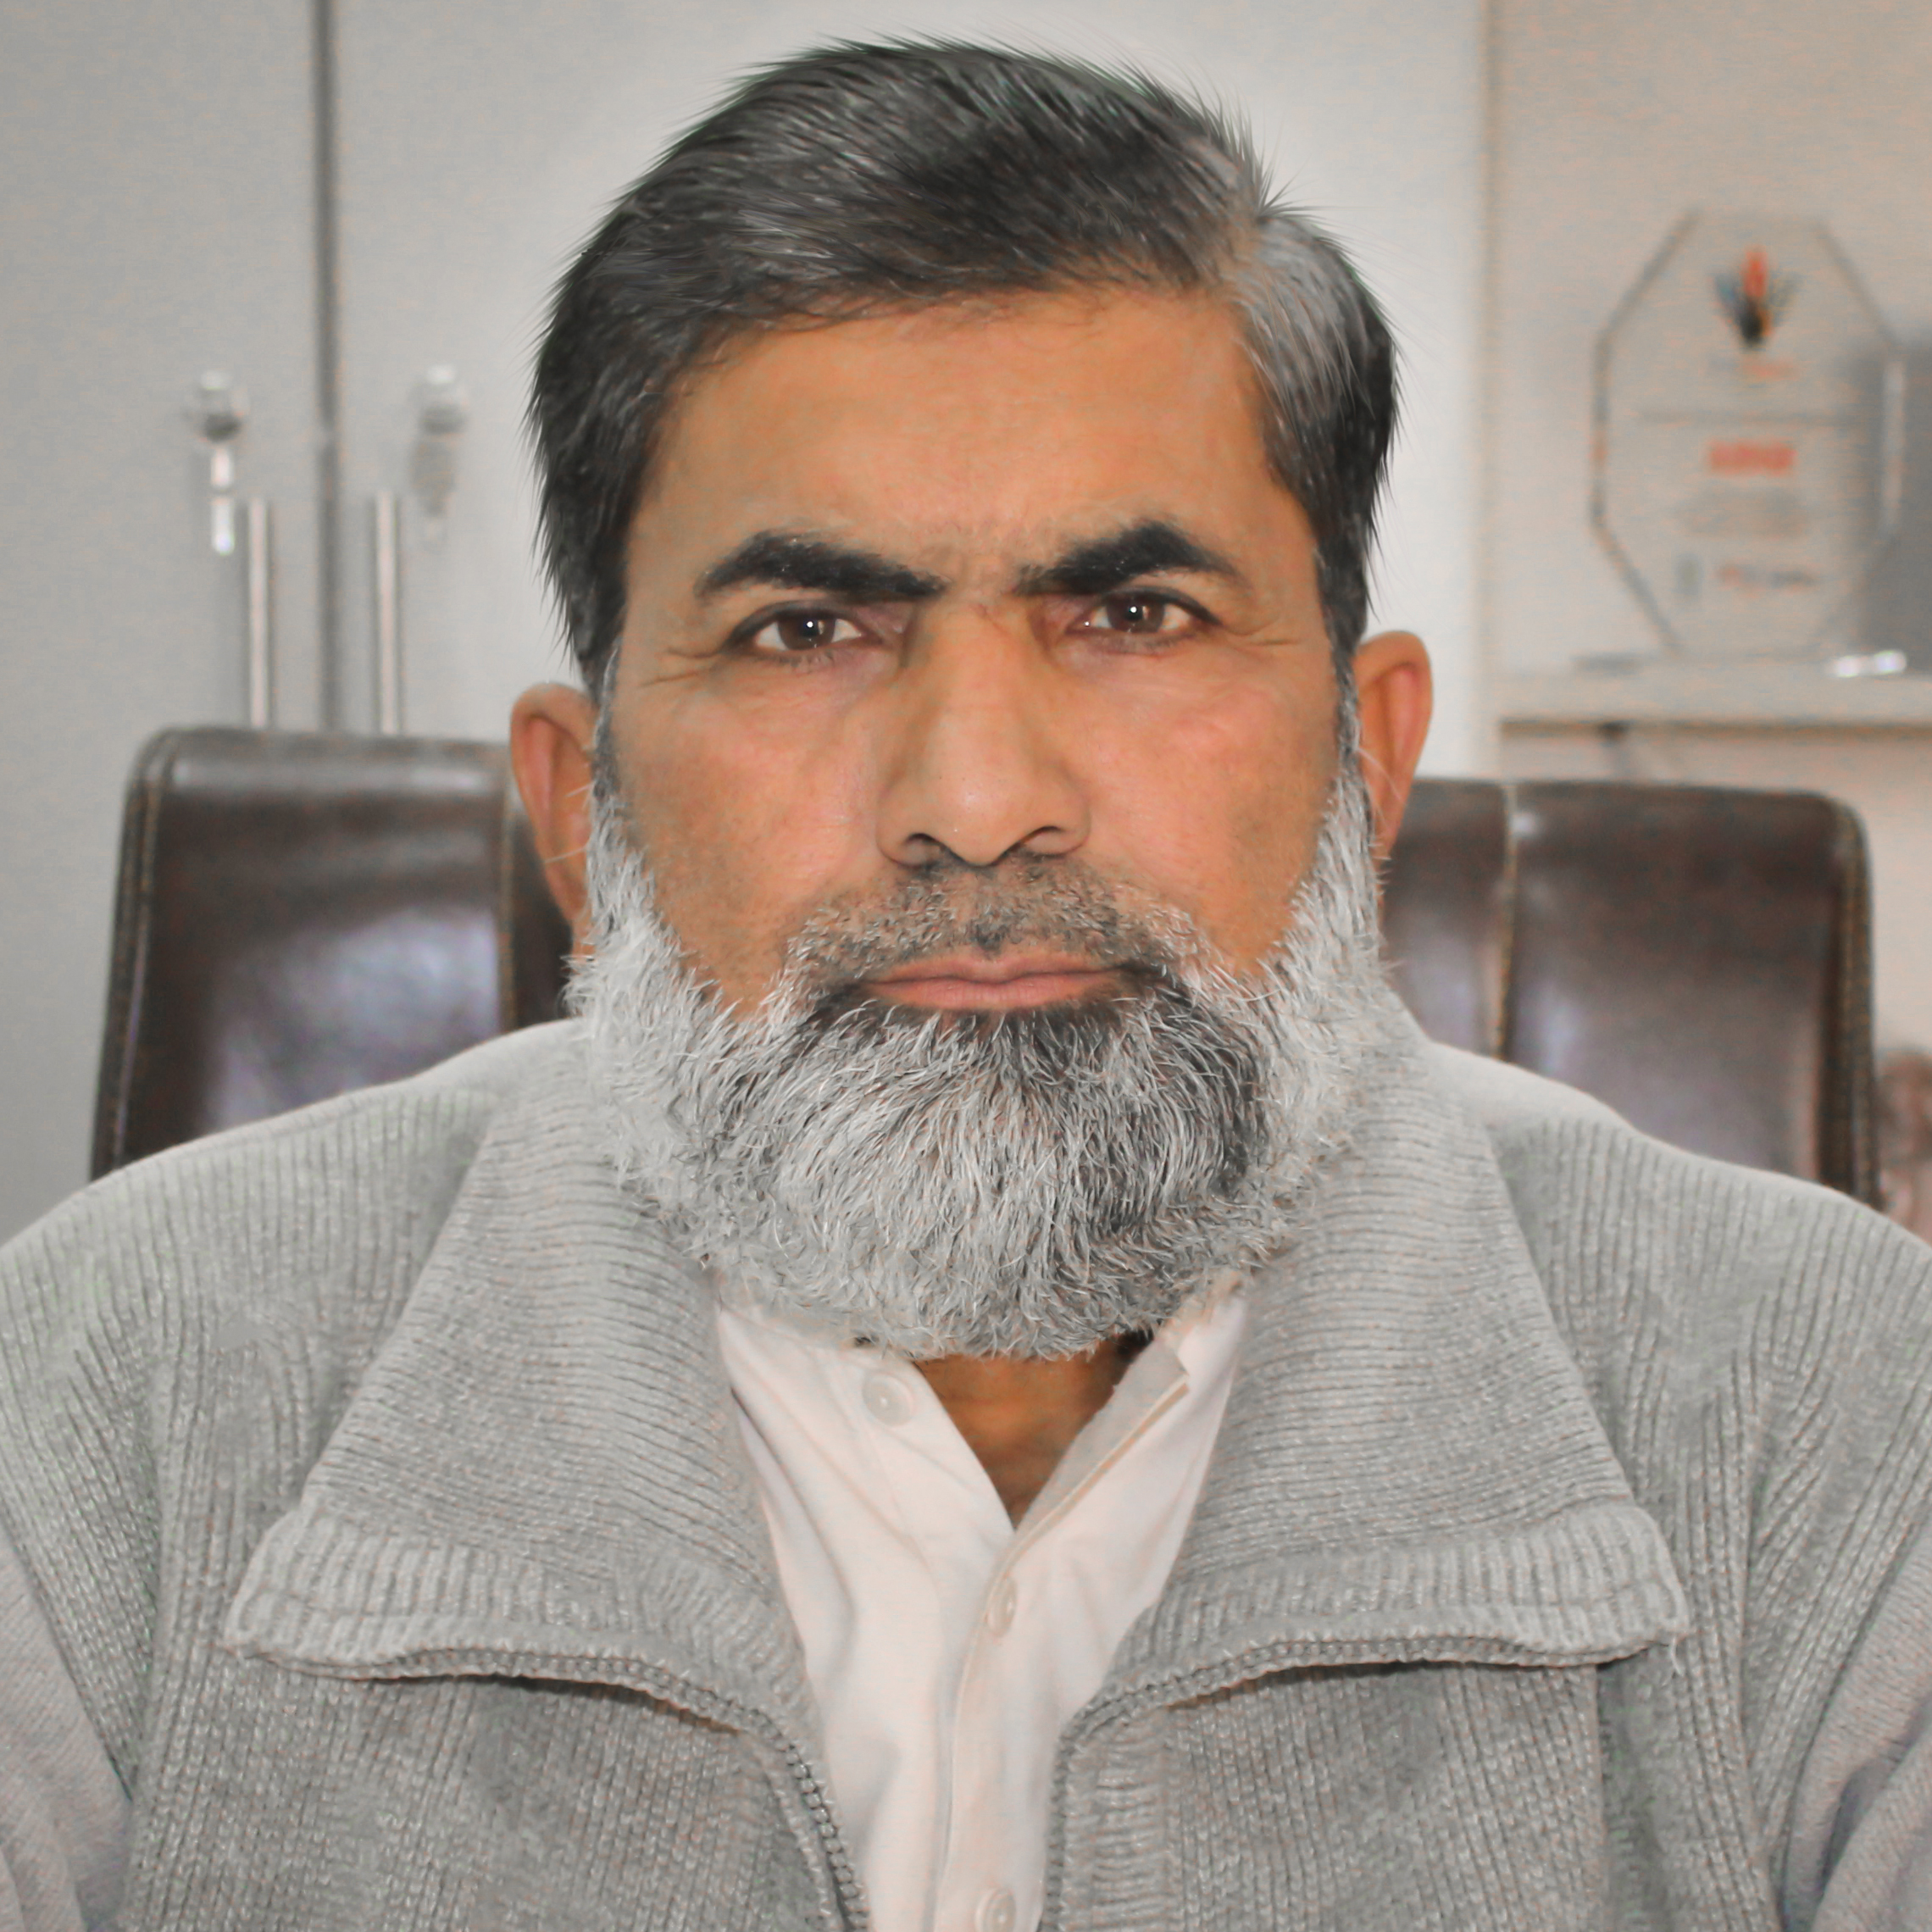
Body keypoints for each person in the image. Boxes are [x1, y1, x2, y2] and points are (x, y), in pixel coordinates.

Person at [3, 41, 1930, 1932]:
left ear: (1369, 758)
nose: (980, 802)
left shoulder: (1839, 1409)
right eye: (808, 628)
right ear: (582, 812)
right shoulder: (108, 1387)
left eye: (1136, 614)